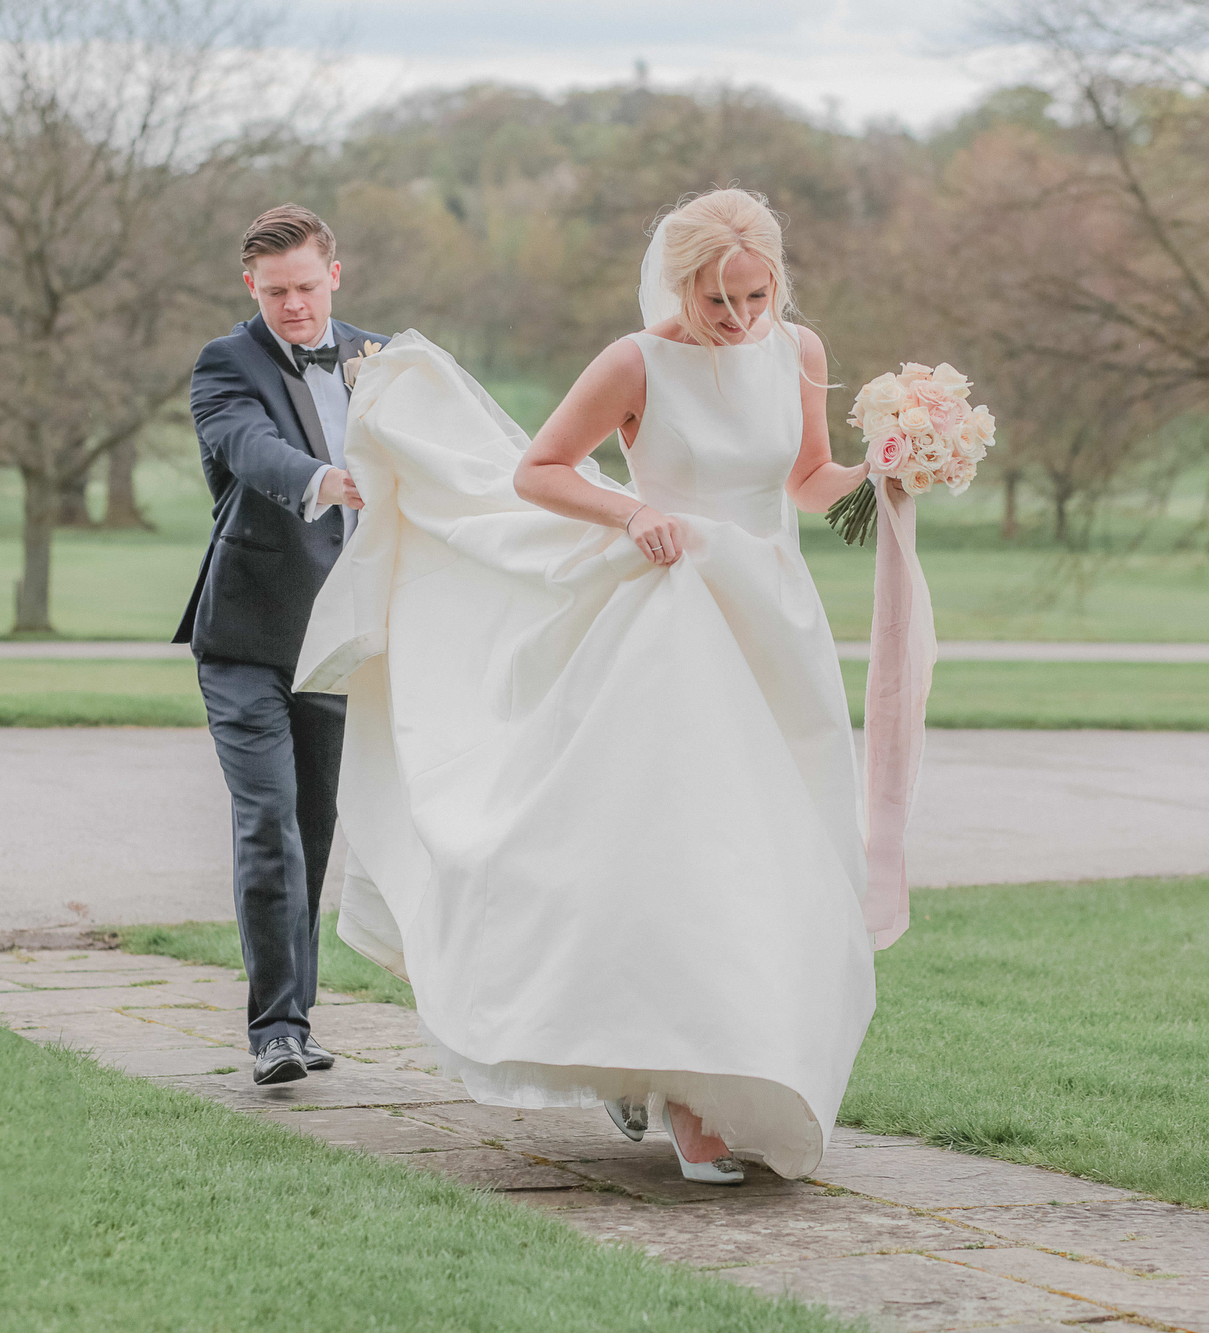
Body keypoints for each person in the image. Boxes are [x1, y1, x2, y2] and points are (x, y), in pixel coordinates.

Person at [294, 189, 876, 1182]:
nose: (736, 318)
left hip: (772, 615)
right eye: (714, 300)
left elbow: (807, 478)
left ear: (773, 276)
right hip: (671, 611)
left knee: (778, 852)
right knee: (683, 850)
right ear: (680, 283)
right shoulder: (634, 361)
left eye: (751, 295)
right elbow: (539, 471)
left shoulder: (801, 352)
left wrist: (890, 473)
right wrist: (626, 513)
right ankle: (690, 1100)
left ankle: (690, 1059)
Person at [174, 204, 388, 1086]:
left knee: (313, 827)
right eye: (274, 292)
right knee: (267, 820)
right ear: (249, 287)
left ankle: (295, 1018)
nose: (293, 306)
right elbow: (247, 446)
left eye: (305, 287)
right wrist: (321, 479)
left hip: (337, 640)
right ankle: (273, 1030)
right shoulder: (227, 364)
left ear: (333, 275)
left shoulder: (384, 360)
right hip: (246, 637)